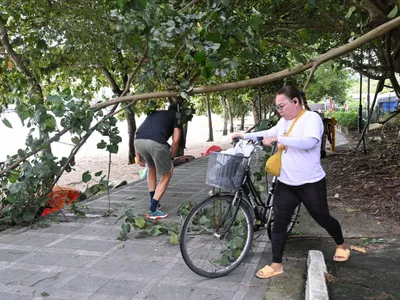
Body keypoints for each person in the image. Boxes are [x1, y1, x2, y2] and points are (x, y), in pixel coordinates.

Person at [232, 85, 349, 279]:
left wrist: (280, 138)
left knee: (323, 218)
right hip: (286, 182)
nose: (279, 111)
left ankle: (341, 245)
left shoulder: (311, 119)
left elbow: (309, 142)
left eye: (281, 106)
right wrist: (245, 135)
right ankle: (276, 264)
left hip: (310, 182)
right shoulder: (283, 122)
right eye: (277, 107)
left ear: (295, 102)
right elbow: (269, 132)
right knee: (279, 222)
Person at [134, 103, 181, 220]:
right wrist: (171, 159)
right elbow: (175, 140)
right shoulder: (177, 117)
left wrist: (136, 153)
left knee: (151, 167)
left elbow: (136, 132)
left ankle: (152, 200)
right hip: (156, 144)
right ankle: (153, 210)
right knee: (167, 174)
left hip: (139, 142)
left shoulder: (154, 113)